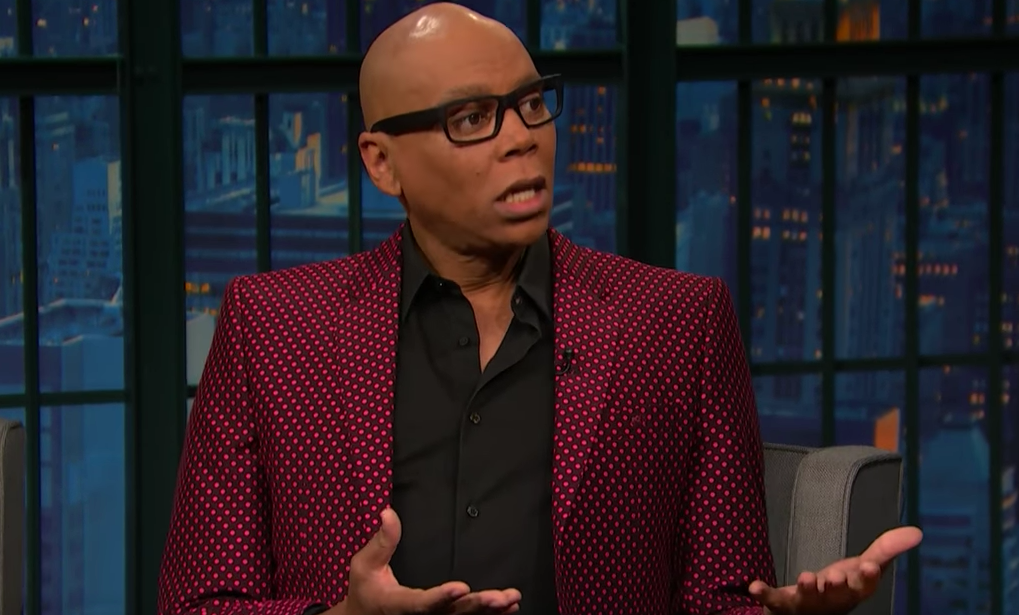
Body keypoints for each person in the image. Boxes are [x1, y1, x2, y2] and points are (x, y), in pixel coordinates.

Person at [157, 3, 923, 615]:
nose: (521, 139)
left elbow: (722, 597)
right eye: (471, 118)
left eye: (530, 104)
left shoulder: (677, 322)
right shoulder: (273, 325)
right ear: (381, 163)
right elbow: (200, 602)